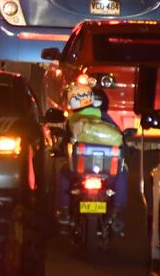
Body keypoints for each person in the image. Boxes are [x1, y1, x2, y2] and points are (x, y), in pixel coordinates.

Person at [55, 83, 128, 234]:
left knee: (63, 172)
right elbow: (120, 140)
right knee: (123, 172)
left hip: (80, 171)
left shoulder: (74, 119)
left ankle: (64, 210)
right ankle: (117, 211)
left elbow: (65, 142)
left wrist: (59, 150)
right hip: (106, 171)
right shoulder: (105, 118)